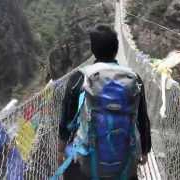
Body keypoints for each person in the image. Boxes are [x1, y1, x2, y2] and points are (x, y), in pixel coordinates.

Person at [58, 24, 151, 180]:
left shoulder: (80, 78)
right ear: (116, 49)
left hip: (85, 163)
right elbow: (142, 118)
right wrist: (145, 150)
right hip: (125, 161)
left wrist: (61, 150)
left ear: (93, 50)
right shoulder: (133, 79)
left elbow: (67, 118)